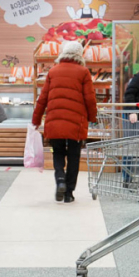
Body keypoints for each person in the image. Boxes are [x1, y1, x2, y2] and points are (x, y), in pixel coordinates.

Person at [32, 41, 98, 203]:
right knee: (74, 156)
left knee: (58, 152)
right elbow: (90, 99)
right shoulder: (83, 72)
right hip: (76, 122)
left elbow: (43, 98)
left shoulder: (53, 71)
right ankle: (69, 193)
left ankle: (60, 178)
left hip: (55, 121)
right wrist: (92, 117)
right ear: (79, 55)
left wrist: (36, 119)